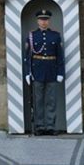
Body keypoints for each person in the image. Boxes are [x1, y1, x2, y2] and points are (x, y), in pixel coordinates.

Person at [23, 8, 64, 136]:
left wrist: (60, 72)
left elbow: (60, 56)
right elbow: (27, 57)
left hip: (52, 71)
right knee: (38, 101)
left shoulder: (56, 36)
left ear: (49, 21)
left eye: (46, 20)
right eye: (41, 19)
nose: (44, 22)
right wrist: (27, 73)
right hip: (37, 72)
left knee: (51, 100)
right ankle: (39, 126)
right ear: (37, 21)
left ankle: (50, 126)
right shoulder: (32, 36)